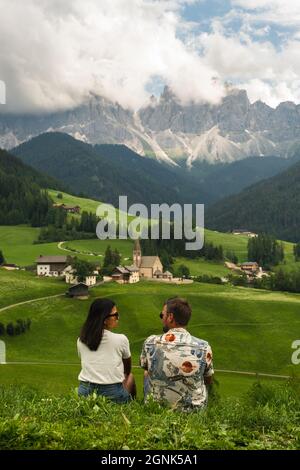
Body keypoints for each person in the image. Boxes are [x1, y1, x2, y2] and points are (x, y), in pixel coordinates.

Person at [140, 297, 214, 411]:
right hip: (193, 411)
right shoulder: (204, 347)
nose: (162, 318)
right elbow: (208, 380)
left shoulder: (150, 342)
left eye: (162, 315)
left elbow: (146, 368)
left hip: (158, 409)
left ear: (170, 317)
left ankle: (153, 404)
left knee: (146, 373)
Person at [77, 298, 136, 403]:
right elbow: (127, 369)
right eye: (115, 315)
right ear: (104, 320)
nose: (118, 318)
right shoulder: (121, 339)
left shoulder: (81, 340)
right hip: (111, 393)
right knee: (130, 377)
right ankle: (131, 405)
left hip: (84, 392)